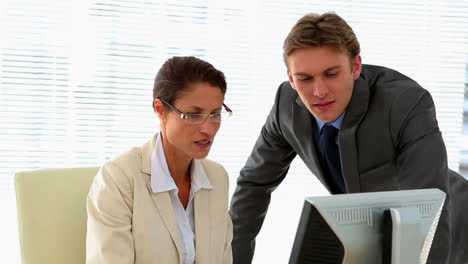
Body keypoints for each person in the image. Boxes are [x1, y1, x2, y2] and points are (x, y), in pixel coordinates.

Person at [229, 12, 468, 264]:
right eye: (305, 79)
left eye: (331, 74)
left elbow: (429, 203)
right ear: (290, 77)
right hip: (378, 231)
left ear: (355, 67)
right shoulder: (286, 106)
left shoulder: (405, 102)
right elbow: (253, 185)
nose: (319, 92)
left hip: (450, 229)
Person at [86, 56, 233, 264]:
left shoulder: (217, 178)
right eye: (193, 114)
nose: (208, 129)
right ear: (160, 109)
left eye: (216, 114)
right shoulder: (119, 179)